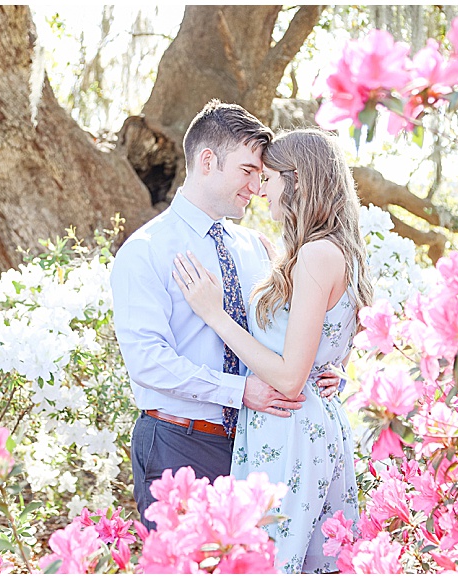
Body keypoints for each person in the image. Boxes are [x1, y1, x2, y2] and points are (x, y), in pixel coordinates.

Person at [110, 101, 341, 531]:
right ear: (208, 161)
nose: (257, 186)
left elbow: (283, 338)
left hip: (257, 447)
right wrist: (239, 391)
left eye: (262, 174)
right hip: (180, 445)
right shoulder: (146, 251)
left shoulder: (255, 247)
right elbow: (147, 363)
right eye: (248, 170)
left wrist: (328, 370)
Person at [172, 128, 372, 573]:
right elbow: (327, 344)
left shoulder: (316, 256)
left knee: (274, 563)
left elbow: (287, 377)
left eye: (269, 178)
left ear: (296, 179)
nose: (260, 190)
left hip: (290, 426)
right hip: (305, 422)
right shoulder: (332, 250)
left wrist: (214, 313)